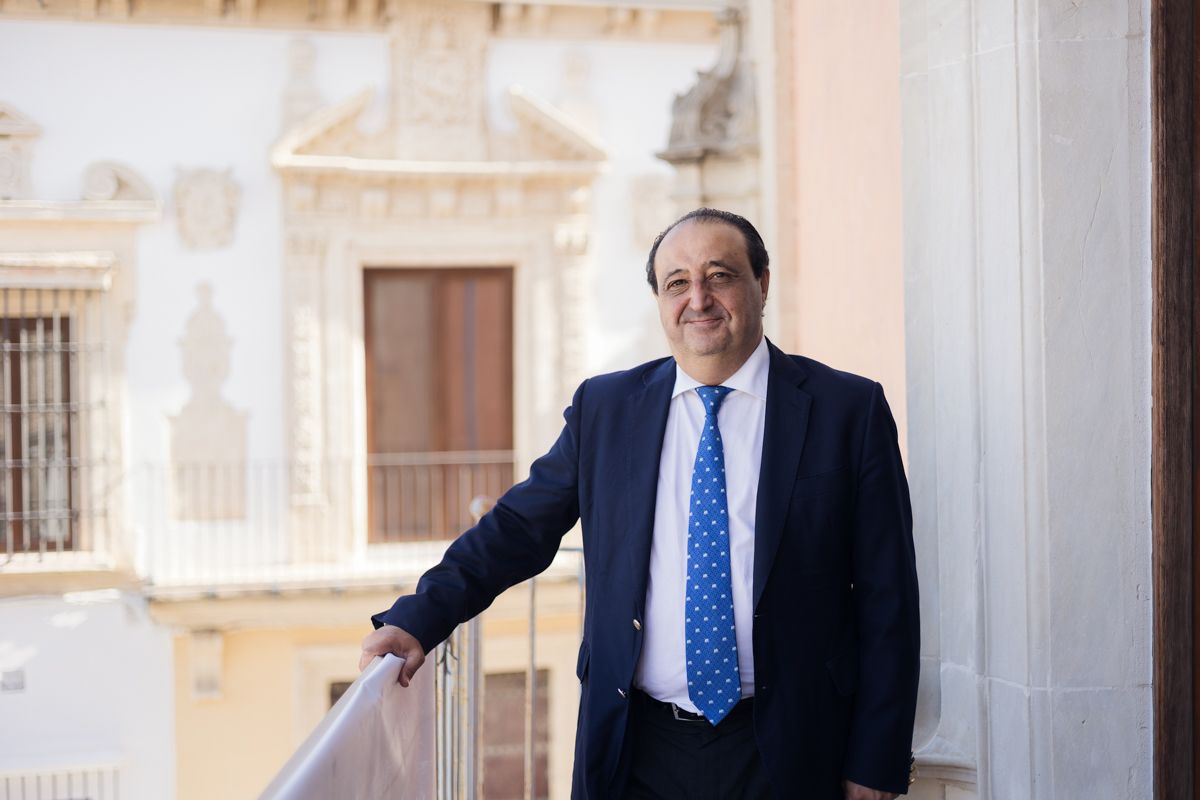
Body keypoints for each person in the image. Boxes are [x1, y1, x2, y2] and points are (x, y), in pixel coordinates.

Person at [360, 208, 920, 799]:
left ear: (762, 283)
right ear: (660, 300)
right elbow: (519, 528)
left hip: (790, 745)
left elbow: (890, 600)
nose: (698, 299)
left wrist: (875, 761)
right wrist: (418, 617)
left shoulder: (846, 411)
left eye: (720, 275)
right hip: (637, 748)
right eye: (677, 283)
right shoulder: (608, 409)